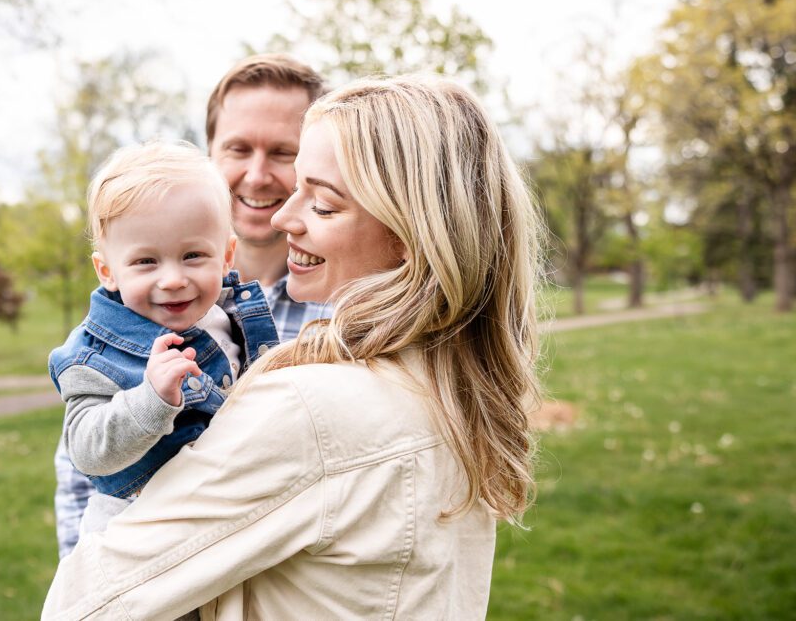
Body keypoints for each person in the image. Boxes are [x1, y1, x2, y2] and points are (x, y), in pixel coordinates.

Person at [42, 75, 543, 620]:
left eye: (323, 205)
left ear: (408, 236)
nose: (281, 217)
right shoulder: (452, 383)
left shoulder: (311, 407)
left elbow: (85, 605)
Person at [54, 54, 331, 558]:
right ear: (209, 154)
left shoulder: (347, 310)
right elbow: (81, 472)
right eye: (238, 148)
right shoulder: (120, 337)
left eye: (283, 152)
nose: (257, 174)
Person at [50, 142, 279, 538]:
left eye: (192, 255)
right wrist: (150, 400)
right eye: (146, 262)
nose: (172, 279)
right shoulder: (93, 356)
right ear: (108, 271)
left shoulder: (233, 316)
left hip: (225, 518)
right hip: (138, 532)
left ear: (226, 257)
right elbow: (86, 450)